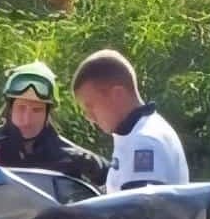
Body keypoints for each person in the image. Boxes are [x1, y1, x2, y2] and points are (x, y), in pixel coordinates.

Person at [0, 62, 105, 186]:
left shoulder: (72, 158)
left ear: (48, 114)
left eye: (37, 110)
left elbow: (112, 185)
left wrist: (95, 168)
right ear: (9, 109)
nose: (27, 119)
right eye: (21, 108)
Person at [70, 50, 189, 190]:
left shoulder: (144, 142)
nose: (88, 116)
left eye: (90, 106)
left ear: (117, 95)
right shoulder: (134, 133)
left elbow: (140, 203)